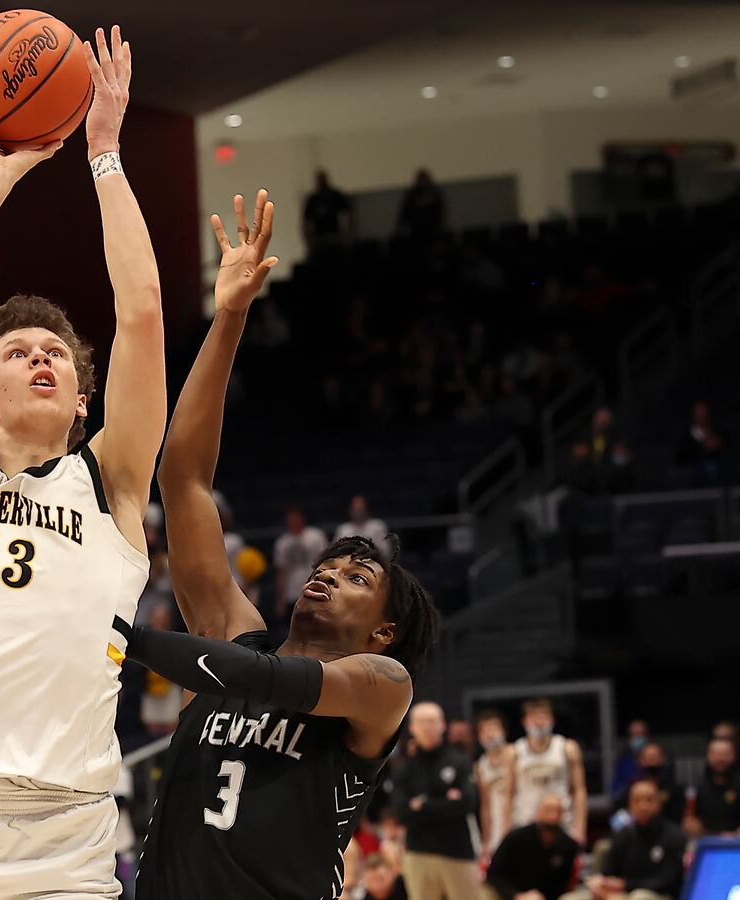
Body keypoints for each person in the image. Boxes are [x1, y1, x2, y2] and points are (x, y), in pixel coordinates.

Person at [0, 27, 165, 899]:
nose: (42, 357)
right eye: (17, 353)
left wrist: (106, 157)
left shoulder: (112, 480)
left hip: (66, 834)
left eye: (57, 352)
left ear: (85, 399)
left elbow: (145, 312)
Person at [123, 188, 438, 900]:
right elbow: (186, 482)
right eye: (328, 565)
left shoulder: (381, 688)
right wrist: (230, 314)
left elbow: (257, 680)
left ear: (384, 629)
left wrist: (122, 639)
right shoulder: (238, 641)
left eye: (356, 577)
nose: (326, 575)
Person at [394, 703, 481, 900]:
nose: (428, 726)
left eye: (432, 721)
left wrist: (422, 805)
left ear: (443, 725)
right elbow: (401, 813)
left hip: (458, 853)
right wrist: (445, 801)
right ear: (411, 727)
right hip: (418, 854)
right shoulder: (404, 769)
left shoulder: (460, 761)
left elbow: (467, 803)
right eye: (422, 722)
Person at [561, 780, 685, 900]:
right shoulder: (623, 835)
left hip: (659, 895)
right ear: (630, 805)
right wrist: (603, 886)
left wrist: (625, 885)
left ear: (659, 803)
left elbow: (666, 881)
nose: (643, 806)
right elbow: (608, 873)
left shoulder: (673, 836)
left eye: (649, 800)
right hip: (620, 893)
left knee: (639, 897)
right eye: (637, 800)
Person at [510, 697, 588, 846]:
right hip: (525, 822)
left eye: (544, 716)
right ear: (525, 721)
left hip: (562, 823)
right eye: (534, 717)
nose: (539, 722)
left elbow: (579, 790)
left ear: (552, 720)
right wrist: (507, 830)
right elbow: (508, 795)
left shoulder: (567, 748)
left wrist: (580, 828)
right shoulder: (514, 752)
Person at [485, 794, 579, 900]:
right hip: (511, 895)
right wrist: (516, 896)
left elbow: (563, 884)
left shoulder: (568, 846)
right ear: (538, 812)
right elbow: (493, 875)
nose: (553, 816)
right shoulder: (516, 838)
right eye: (548, 810)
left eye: (557, 811)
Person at [688, 737, 740, 837]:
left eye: (725, 754)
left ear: (733, 756)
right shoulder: (697, 785)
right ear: (708, 756)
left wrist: (735, 836)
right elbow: (689, 820)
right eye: (715, 754)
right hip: (707, 841)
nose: (720, 759)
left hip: (738, 841)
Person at [271, 504, 328, 616]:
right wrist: (280, 600)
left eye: (295, 516)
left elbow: (325, 563)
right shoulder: (282, 542)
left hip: (314, 590)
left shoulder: (316, 536)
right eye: (290, 517)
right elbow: (281, 572)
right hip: (292, 594)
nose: (293, 520)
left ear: (302, 517)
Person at [138, 604, 184, 737]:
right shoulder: (143, 639)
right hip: (150, 690)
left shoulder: (176, 639)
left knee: (172, 727)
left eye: (162, 618)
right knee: (152, 728)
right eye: (156, 618)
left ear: (167, 620)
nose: (159, 621)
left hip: (170, 689)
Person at [475, 709, 516, 858]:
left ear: (503, 731)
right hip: (497, 824)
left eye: (494, 728)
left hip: (519, 817)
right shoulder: (480, 766)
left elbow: (513, 792)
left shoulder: (516, 753)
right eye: (485, 730)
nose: (490, 734)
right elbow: (485, 805)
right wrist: (486, 839)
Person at [303, 169, 354, 255]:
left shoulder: (335, 196)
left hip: (335, 237)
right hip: (320, 240)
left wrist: (347, 235)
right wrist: (309, 241)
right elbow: (306, 223)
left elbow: (347, 216)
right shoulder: (313, 199)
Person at [397, 169, 446, 242]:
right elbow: (405, 213)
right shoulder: (412, 195)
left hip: (431, 229)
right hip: (415, 230)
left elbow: (439, 213)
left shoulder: (434, 194)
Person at [610, 719, 649, 801]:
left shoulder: (656, 763)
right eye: (634, 735)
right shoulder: (623, 763)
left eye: (641, 734)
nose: (638, 738)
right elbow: (615, 791)